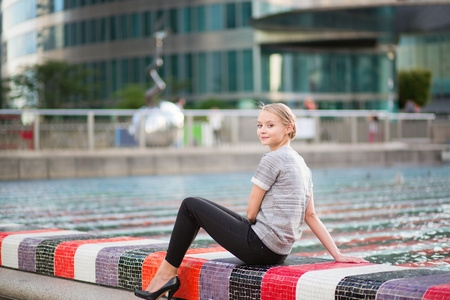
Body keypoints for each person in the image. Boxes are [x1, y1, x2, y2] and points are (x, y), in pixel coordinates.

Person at [135, 103, 367, 300]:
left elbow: (251, 211)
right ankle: (166, 276)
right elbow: (311, 216)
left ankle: (166, 275)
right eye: (259, 125)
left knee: (189, 206)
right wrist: (337, 254)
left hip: (259, 247)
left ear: (289, 128)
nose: (262, 130)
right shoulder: (302, 165)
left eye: (270, 125)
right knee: (199, 204)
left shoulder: (272, 158)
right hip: (278, 252)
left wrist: (249, 225)